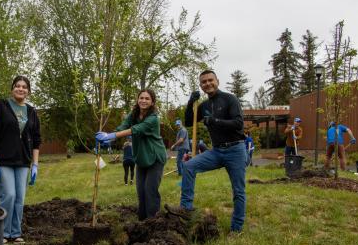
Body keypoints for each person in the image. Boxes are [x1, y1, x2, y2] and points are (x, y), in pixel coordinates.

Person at [176, 69, 247, 233]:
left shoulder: (230, 99)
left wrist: (215, 121)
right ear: (201, 86)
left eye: (210, 80)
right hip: (216, 151)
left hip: (235, 149)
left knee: (238, 191)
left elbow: (238, 124)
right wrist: (190, 102)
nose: (207, 84)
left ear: (217, 81)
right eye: (204, 82)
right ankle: (185, 210)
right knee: (188, 166)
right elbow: (188, 121)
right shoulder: (204, 105)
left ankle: (236, 228)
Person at [96, 89, 167, 221]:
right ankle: (142, 220)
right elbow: (124, 126)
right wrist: (110, 138)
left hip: (155, 157)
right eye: (141, 98)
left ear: (152, 102)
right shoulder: (134, 114)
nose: (144, 101)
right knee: (141, 191)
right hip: (141, 158)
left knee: (150, 191)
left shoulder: (153, 119)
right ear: (137, 99)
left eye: (147, 99)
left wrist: (112, 135)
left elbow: (135, 130)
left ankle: (153, 222)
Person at [0, 75, 41, 244]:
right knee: (8, 195)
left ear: (28, 91)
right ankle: (3, 233)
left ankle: (15, 233)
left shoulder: (32, 112)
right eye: (17, 85)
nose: (21, 89)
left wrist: (35, 164)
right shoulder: (1, 106)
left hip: (23, 161)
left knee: (20, 198)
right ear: (12, 89)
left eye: (24, 87)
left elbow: (37, 139)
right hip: (3, 160)